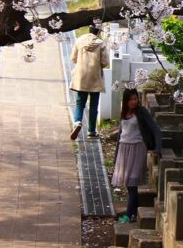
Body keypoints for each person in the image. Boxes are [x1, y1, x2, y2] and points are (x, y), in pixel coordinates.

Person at [113, 88, 163, 224]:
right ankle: (133, 213)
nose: (134, 102)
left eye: (136, 99)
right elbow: (120, 135)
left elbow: (155, 129)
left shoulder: (141, 112)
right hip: (124, 148)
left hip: (137, 148)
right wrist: (116, 155)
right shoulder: (123, 113)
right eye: (131, 99)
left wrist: (157, 149)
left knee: (133, 183)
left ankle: (129, 215)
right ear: (126, 101)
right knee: (128, 185)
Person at [70, 26, 109, 140]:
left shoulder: (80, 40)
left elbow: (73, 58)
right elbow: (105, 62)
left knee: (80, 102)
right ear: (98, 32)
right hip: (95, 77)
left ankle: (77, 122)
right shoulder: (101, 44)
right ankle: (91, 131)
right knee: (93, 104)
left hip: (81, 76)